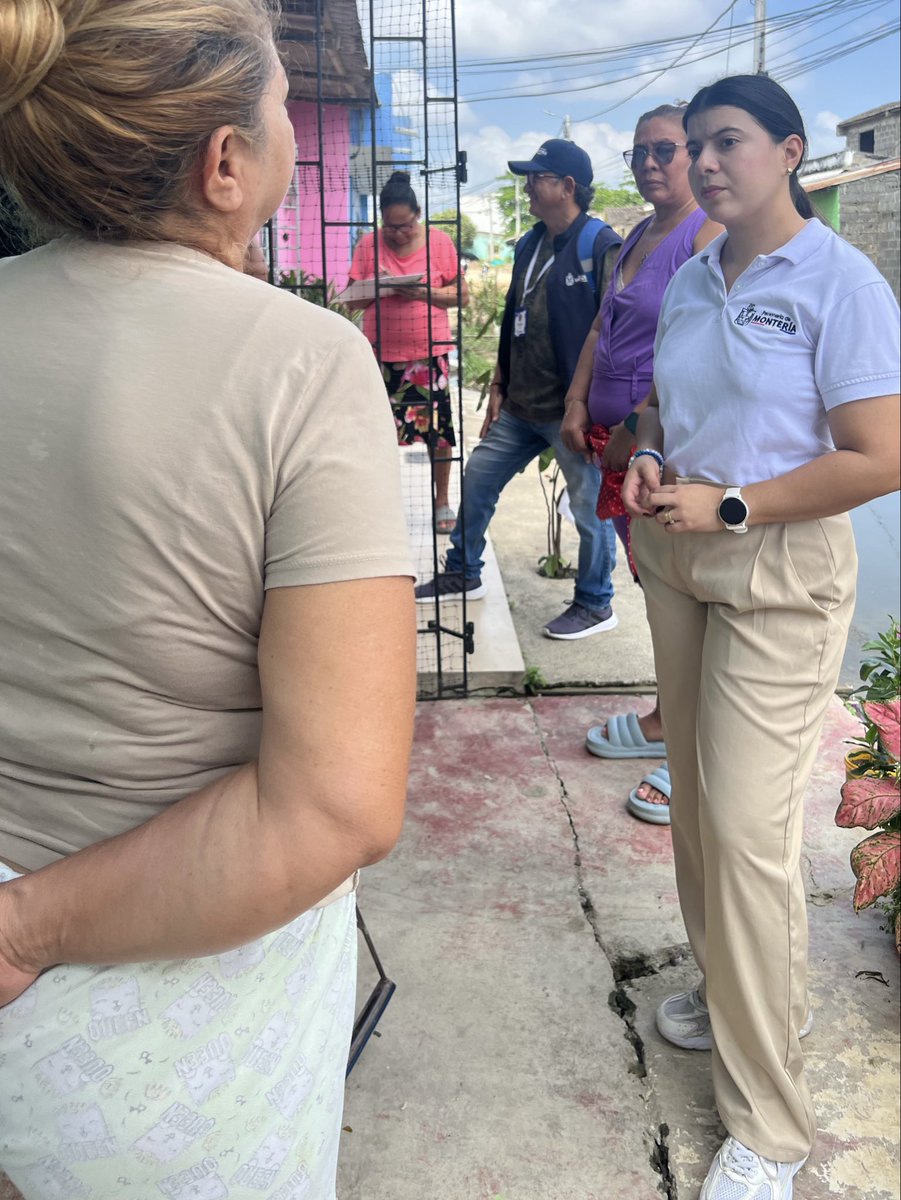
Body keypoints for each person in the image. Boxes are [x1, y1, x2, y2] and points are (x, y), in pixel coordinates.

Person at [0, 3, 416, 1198]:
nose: (295, 129)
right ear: (224, 164)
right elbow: (334, 807)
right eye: (285, 103)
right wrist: (26, 927)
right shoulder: (300, 362)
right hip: (164, 1020)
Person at [622, 74, 900, 1200]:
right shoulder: (693, 276)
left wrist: (732, 507)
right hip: (680, 556)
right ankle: (729, 994)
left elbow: (878, 456)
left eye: (727, 141)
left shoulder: (839, 281)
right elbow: (662, 405)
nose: (704, 163)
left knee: (745, 833)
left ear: (789, 150)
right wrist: (648, 455)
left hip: (775, 570)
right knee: (696, 805)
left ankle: (772, 1132)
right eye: (694, 147)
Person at [560, 105, 722, 822]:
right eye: (638, 154)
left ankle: (695, 754)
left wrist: (633, 428)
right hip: (615, 446)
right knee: (659, 593)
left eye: (666, 150)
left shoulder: (707, 233)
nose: (650, 164)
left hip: (667, 451)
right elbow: (605, 323)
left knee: (695, 600)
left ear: (694, 155)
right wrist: (575, 399)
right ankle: (665, 716)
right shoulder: (634, 237)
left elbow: (698, 351)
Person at [415, 139, 623, 639]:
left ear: (567, 187)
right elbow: (514, 317)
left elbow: (614, 332)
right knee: (479, 477)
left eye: (537, 178)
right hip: (521, 407)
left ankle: (596, 602)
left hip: (569, 413)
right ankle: (464, 569)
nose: (527, 187)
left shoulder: (601, 245)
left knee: (590, 508)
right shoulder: (530, 243)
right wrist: (500, 386)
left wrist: (595, 411)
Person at [347, 171, 468, 534]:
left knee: (438, 433)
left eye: (407, 225)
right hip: (380, 354)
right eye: (391, 227)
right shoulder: (368, 245)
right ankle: (378, 504)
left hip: (428, 355)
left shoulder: (440, 242)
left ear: (418, 214)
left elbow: (461, 296)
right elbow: (351, 299)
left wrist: (423, 293)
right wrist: (379, 286)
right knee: (376, 434)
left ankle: (442, 501)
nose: (399, 233)